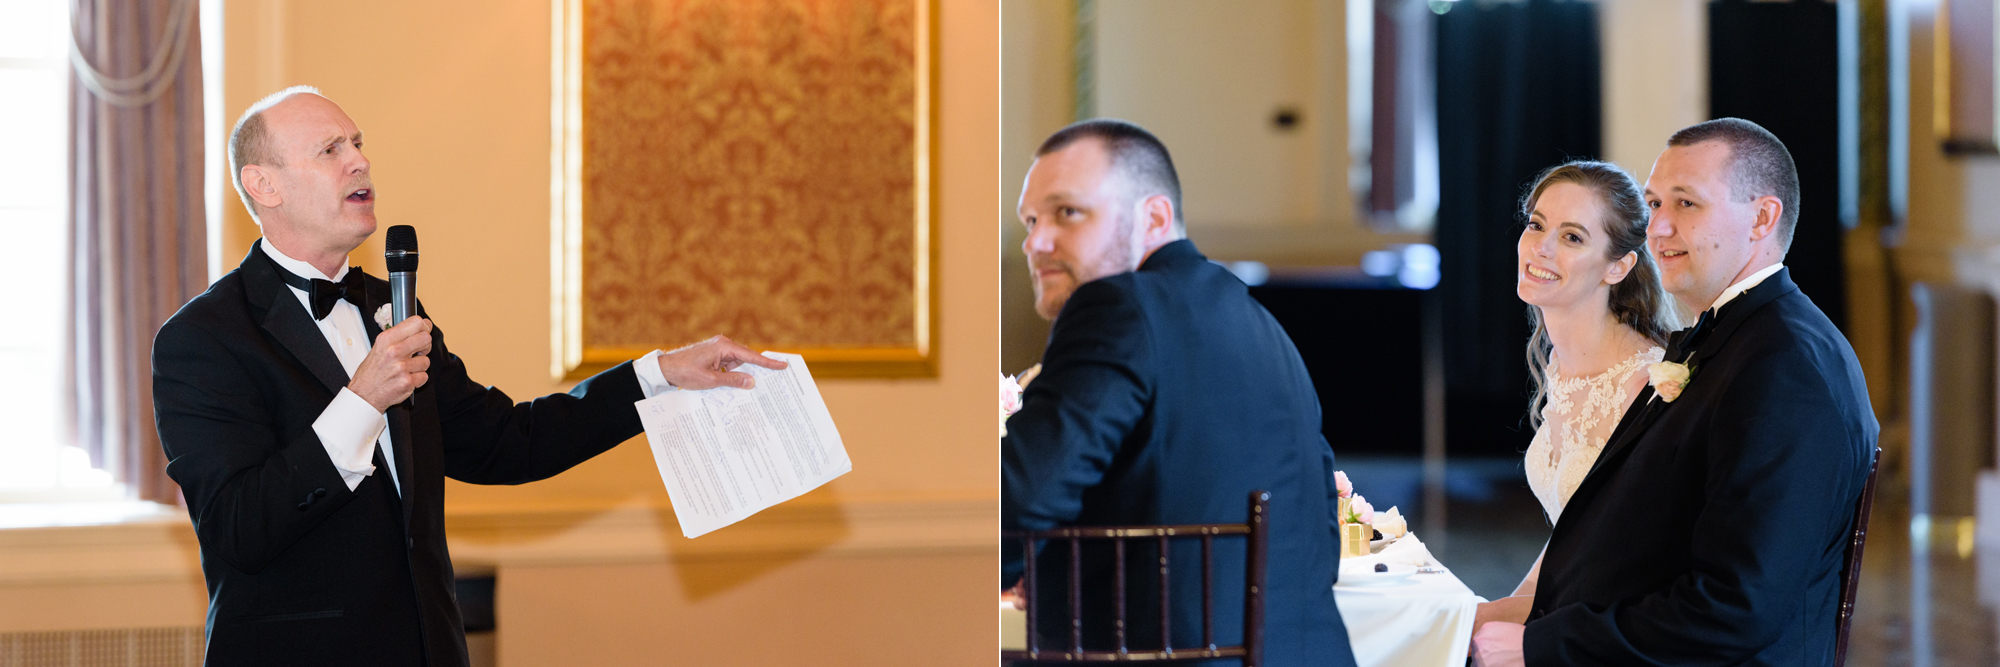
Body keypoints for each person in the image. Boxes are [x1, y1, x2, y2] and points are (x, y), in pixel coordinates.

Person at [151, 86, 784, 667]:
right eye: (330, 150)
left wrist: (659, 375)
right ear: (264, 185)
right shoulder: (203, 340)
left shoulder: (394, 309)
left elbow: (510, 441)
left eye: (359, 144)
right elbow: (239, 528)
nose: (360, 162)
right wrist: (361, 400)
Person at [1471, 118, 1877, 666]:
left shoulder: (1785, 367)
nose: (1658, 227)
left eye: (1685, 204)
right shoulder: (1731, 339)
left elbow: (1736, 608)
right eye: (1655, 204)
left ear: (1762, 218)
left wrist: (1543, 646)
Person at [1000, 118, 1355, 666]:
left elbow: (1020, 497)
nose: (1035, 242)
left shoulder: (1117, 306)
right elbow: (1316, 533)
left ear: (1155, 217)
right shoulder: (1263, 326)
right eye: (1030, 219)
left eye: (1067, 213)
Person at [1468, 161, 1678, 636]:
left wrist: (1513, 630)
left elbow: (1623, 567)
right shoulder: (1561, 364)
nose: (1539, 247)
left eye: (1572, 237)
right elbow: (1570, 541)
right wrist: (1492, 613)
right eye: (1537, 225)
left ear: (1619, 266)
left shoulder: (1644, 384)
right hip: (1570, 610)